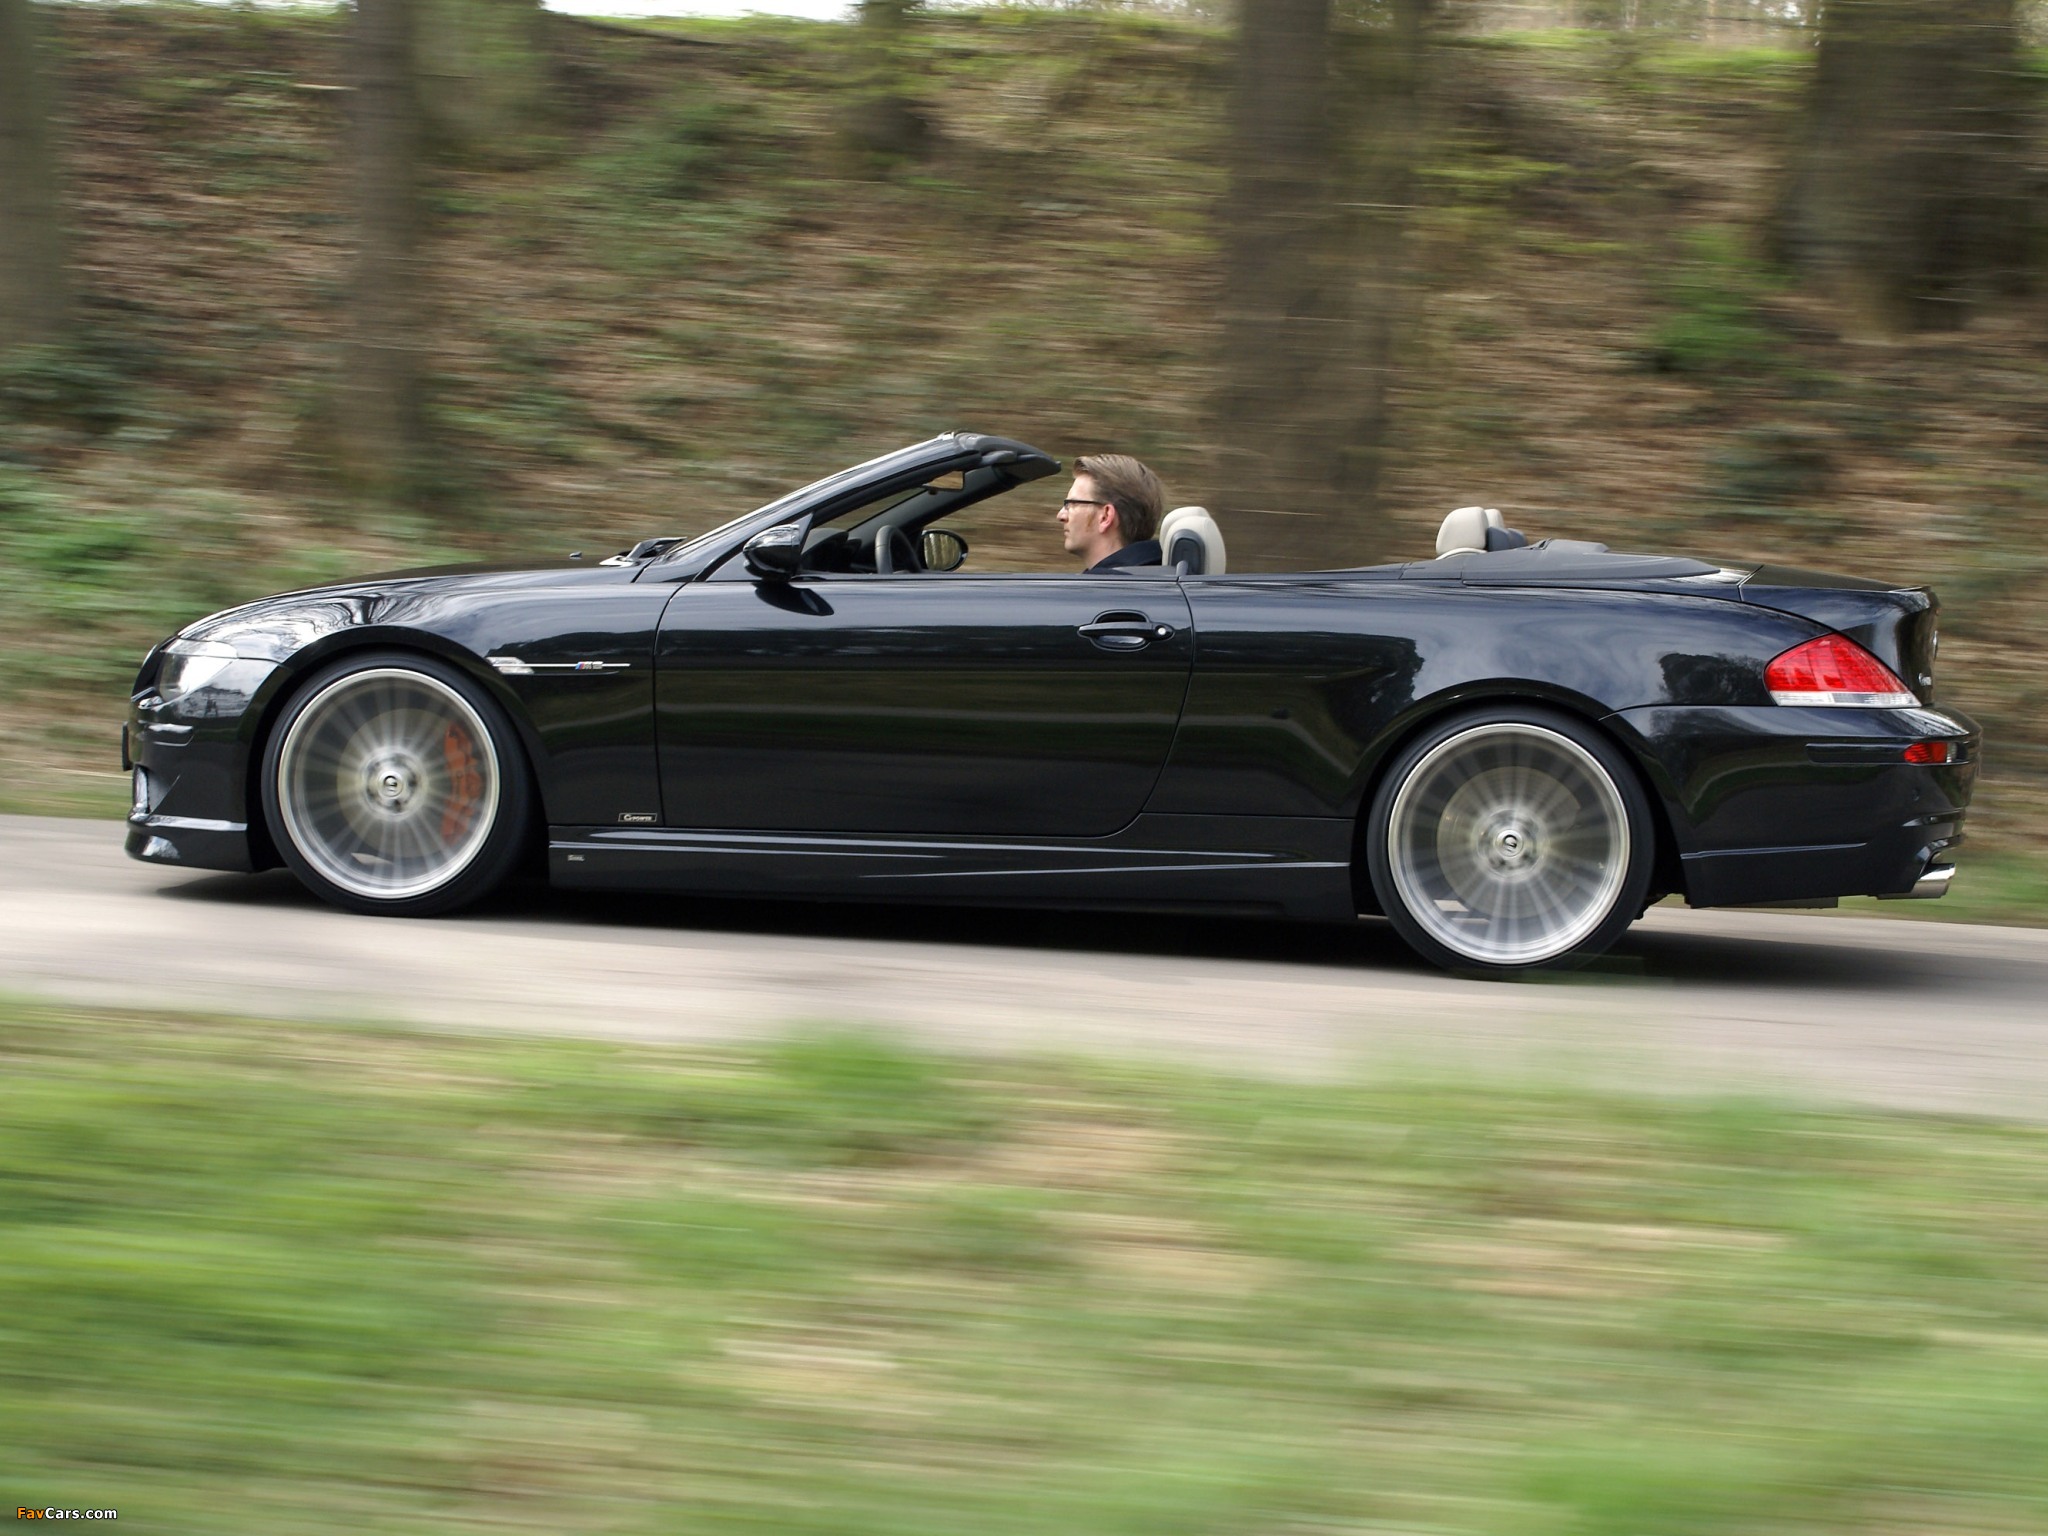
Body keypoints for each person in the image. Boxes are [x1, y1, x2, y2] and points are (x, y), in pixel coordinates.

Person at [1056, 453, 1165, 572]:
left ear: (1105, 516)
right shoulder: (1163, 572)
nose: (1061, 516)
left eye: (1072, 504)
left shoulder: (1100, 583)